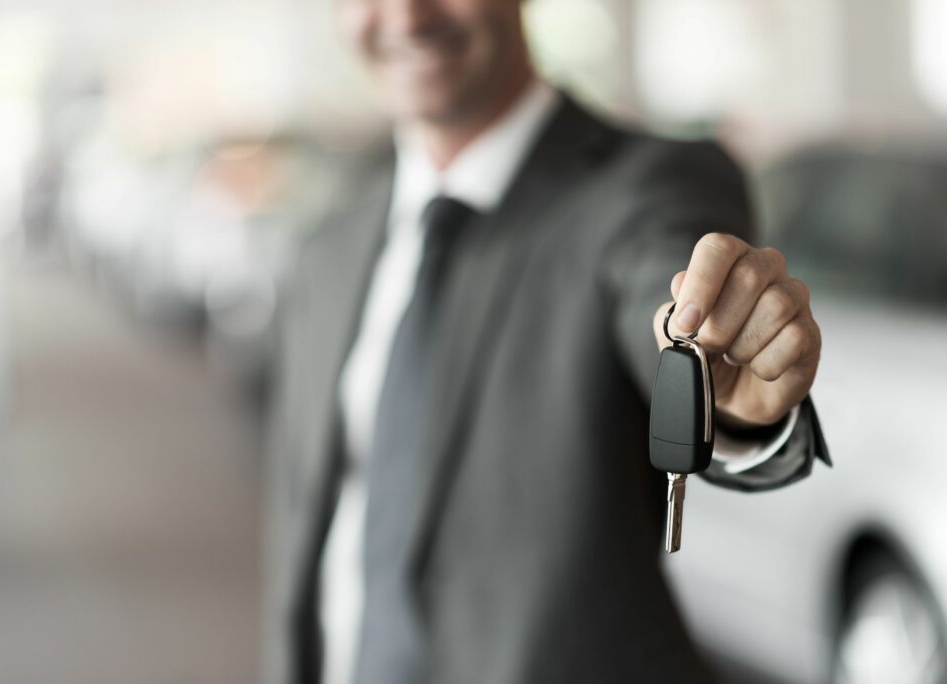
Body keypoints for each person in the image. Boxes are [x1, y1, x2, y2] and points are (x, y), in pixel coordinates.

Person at [262, 0, 830, 682]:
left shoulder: (648, 189)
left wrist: (723, 382)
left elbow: (670, 286)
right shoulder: (331, 245)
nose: (407, 17)